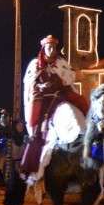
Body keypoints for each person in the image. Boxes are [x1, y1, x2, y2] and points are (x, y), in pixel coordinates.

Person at [21, 34, 89, 173]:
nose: (51, 49)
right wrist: (41, 86)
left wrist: (61, 80)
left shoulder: (61, 63)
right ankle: (36, 135)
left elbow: (70, 76)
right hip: (43, 96)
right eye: (48, 47)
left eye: (53, 47)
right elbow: (30, 82)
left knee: (81, 101)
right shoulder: (35, 64)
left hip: (60, 94)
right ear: (44, 48)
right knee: (37, 116)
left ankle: (88, 127)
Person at [1, 120, 29, 205]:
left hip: (22, 166)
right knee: (10, 187)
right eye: (19, 125)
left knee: (21, 188)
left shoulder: (26, 138)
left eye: (22, 125)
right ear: (15, 126)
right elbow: (5, 154)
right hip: (11, 165)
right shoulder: (10, 139)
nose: (21, 127)